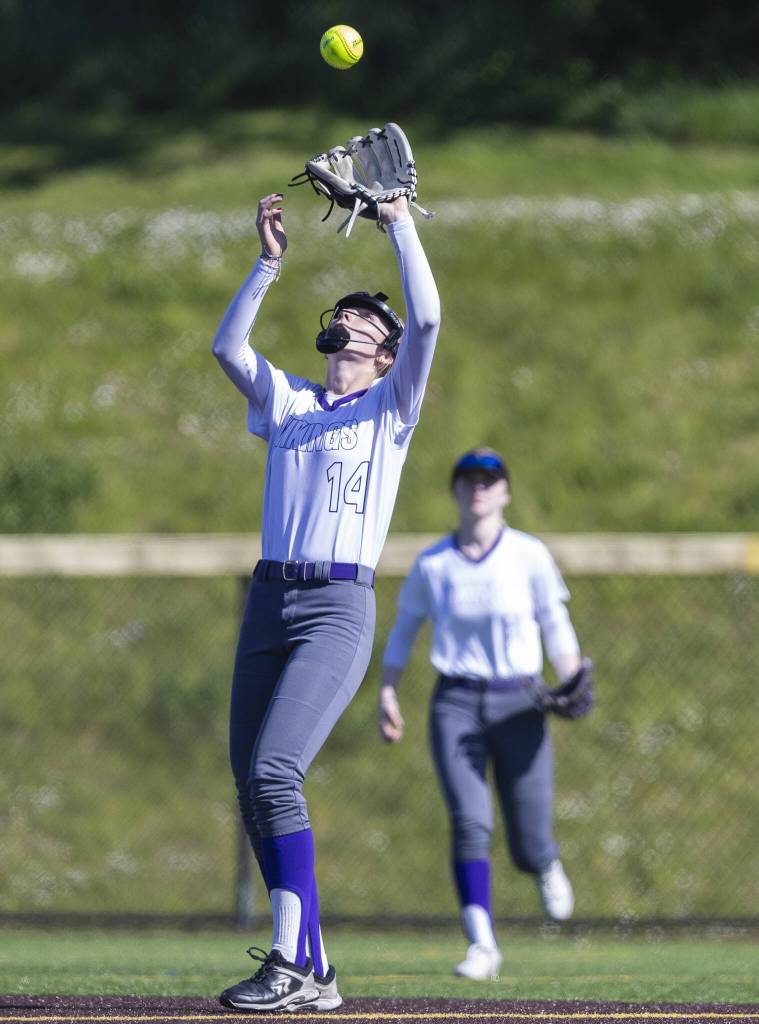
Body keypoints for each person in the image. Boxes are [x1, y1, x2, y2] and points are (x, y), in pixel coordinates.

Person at [212, 191, 440, 1012]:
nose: (349, 317)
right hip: (270, 600)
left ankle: (289, 964)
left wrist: (399, 224)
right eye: (341, 309)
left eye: (364, 315)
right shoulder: (292, 401)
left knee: (277, 771)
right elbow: (227, 344)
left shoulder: (389, 407)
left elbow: (431, 321)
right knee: (250, 781)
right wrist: (269, 262)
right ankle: (315, 971)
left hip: (338, 607)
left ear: (384, 352)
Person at [379, 448, 585, 981]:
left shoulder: (528, 555)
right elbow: (404, 632)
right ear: (455, 490)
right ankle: (482, 945)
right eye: (469, 479)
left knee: (528, 837)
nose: (479, 488)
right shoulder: (434, 564)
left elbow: (553, 622)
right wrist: (388, 691)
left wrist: (571, 677)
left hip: (521, 700)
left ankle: (543, 863)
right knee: (471, 823)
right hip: (457, 703)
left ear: (506, 492)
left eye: (490, 480)